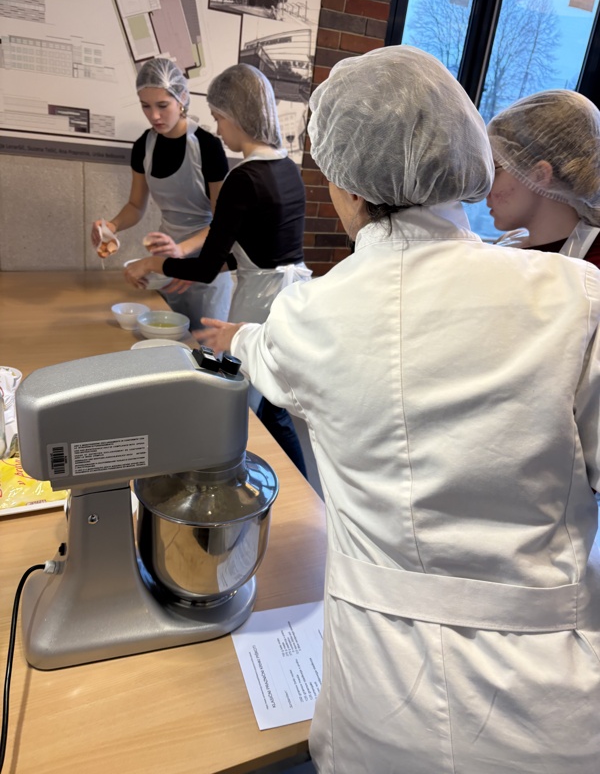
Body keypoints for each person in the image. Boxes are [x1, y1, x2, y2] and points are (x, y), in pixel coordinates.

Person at [194, 46, 600, 773]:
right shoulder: (574, 300)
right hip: (548, 710)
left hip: (379, 705)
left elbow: (263, 351)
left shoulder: (310, 315)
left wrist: (234, 337)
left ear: (348, 185)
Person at [125, 63, 311, 477]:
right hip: (290, 296)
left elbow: (211, 266)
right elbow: (249, 253)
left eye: (219, 118)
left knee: (238, 405)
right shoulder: (287, 168)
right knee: (273, 403)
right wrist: (181, 265)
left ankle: (233, 479)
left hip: (257, 303)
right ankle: (303, 487)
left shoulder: (243, 177)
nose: (219, 129)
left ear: (238, 116)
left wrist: (154, 262)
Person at [91, 57, 233, 330]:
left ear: (182, 99)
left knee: (206, 345)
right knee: (167, 339)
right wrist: (111, 226)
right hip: (166, 262)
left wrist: (183, 252)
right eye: (145, 106)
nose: (154, 115)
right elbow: (135, 205)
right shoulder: (143, 146)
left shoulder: (207, 147)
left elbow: (222, 223)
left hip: (206, 260)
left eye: (162, 105)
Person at [486, 89, 600, 265]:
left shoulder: (592, 269)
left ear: (540, 175)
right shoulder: (511, 242)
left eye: (495, 170)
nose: (485, 189)